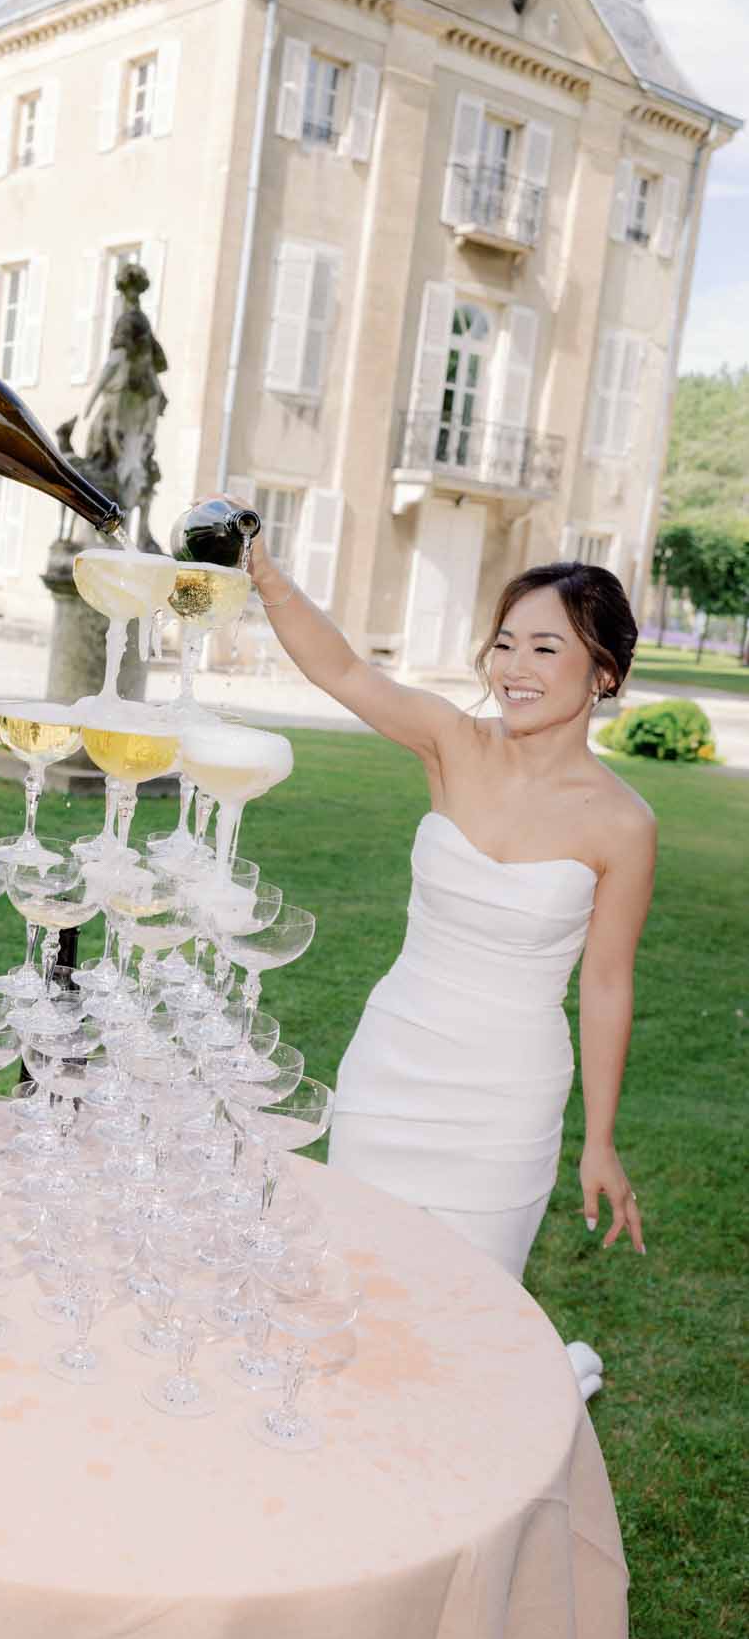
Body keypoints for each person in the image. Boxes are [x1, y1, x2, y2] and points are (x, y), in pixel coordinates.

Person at [245, 538, 650, 1316]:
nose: (512, 667)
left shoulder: (626, 825)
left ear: (603, 673)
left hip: (507, 1098)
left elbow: (605, 984)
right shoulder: (451, 743)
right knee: (349, 1288)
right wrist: (265, 574)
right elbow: (343, 670)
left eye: (543, 647)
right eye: (503, 644)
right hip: (392, 1064)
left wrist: (598, 1141)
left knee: (474, 1315)